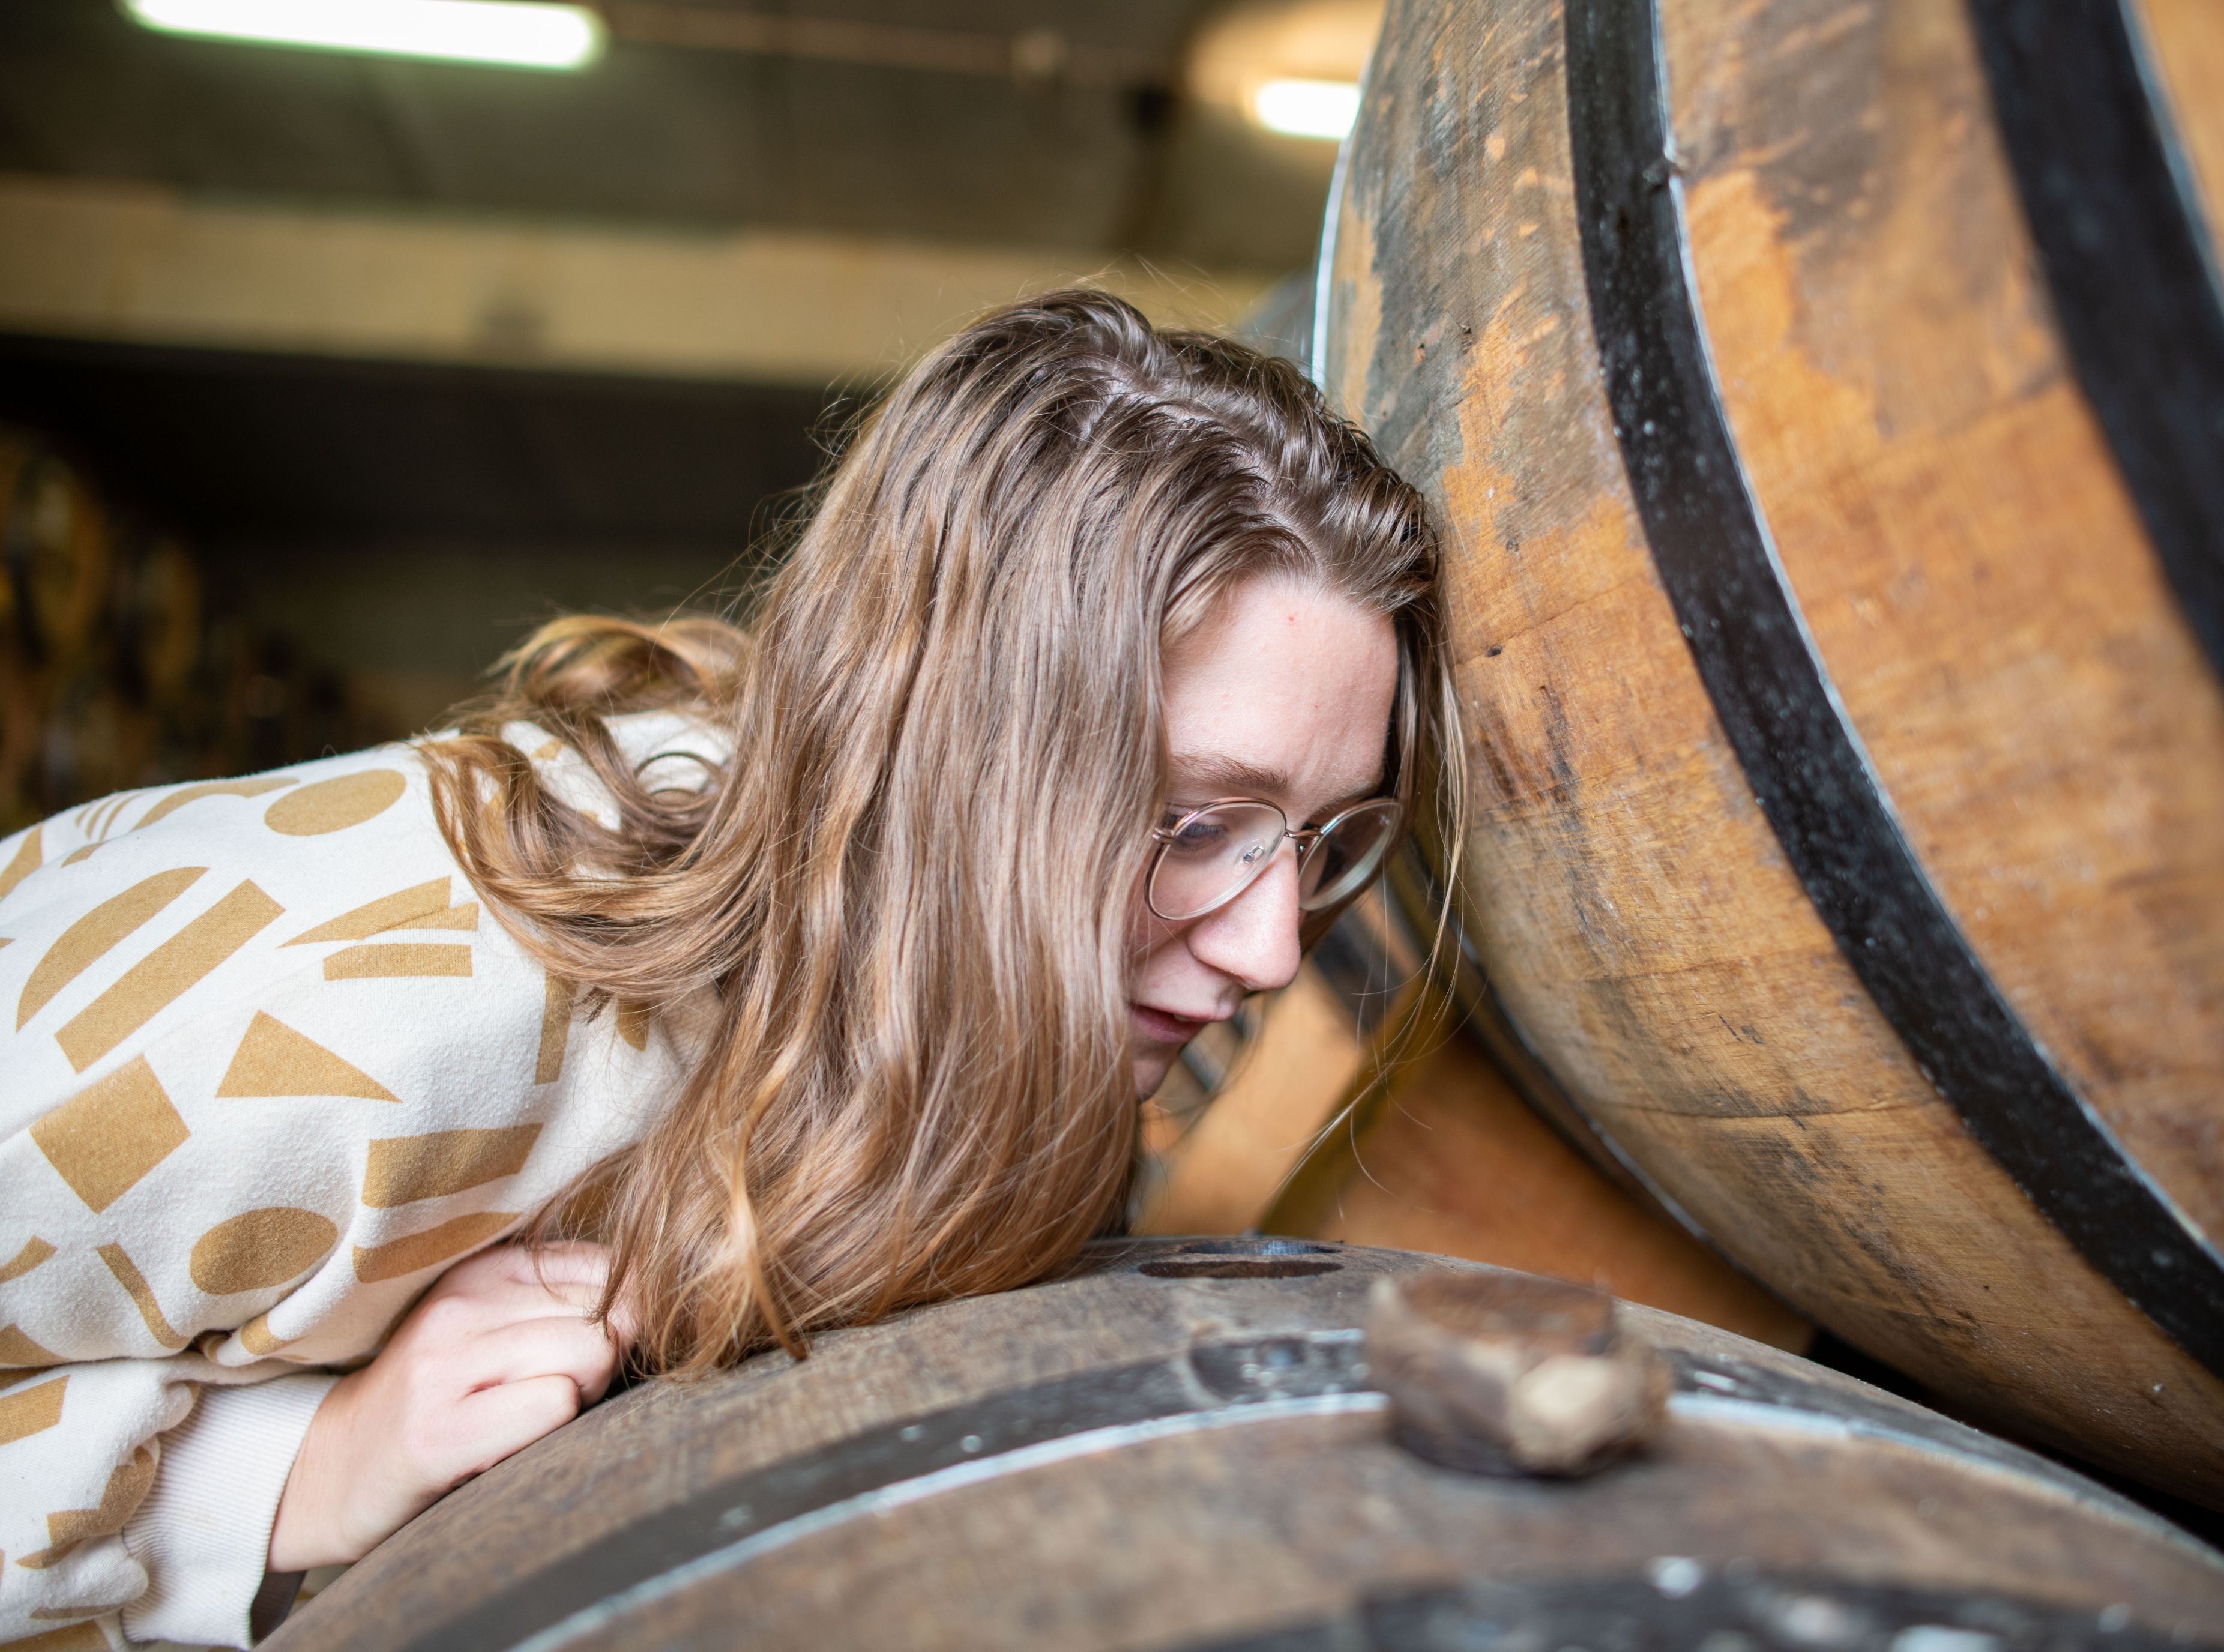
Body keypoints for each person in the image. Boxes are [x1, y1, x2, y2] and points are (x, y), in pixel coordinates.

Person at [0, 290, 1460, 1647]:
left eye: (1329, 836)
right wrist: (286, 1473)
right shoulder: (364, 1018)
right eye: (1196, 819)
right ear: (948, 755)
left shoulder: (971, 995)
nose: (1272, 947)